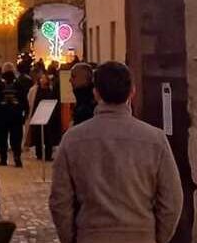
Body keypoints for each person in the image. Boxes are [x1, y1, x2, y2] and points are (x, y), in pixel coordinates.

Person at [50, 61, 182, 243]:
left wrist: (71, 238)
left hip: (91, 235)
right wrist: (157, 237)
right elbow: (172, 200)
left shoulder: (73, 139)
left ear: (96, 93)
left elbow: (60, 200)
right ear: (132, 92)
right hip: (140, 235)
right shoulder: (155, 139)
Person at [0, 64, 26, 167]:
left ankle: (3, 159)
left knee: (2, 137)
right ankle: (17, 157)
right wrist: (24, 112)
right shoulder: (19, 84)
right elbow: (24, 99)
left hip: (2, 115)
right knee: (16, 137)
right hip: (16, 115)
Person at [29, 73, 62, 161]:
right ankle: (39, 154)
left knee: (48, 136)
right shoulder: (36, 90)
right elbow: (31, 101)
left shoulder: (51, 91)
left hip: (49, 116)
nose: (43, 80)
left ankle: (48, 155)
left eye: (44, 78)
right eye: (41, 78)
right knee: (38, 136)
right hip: (38, 114)